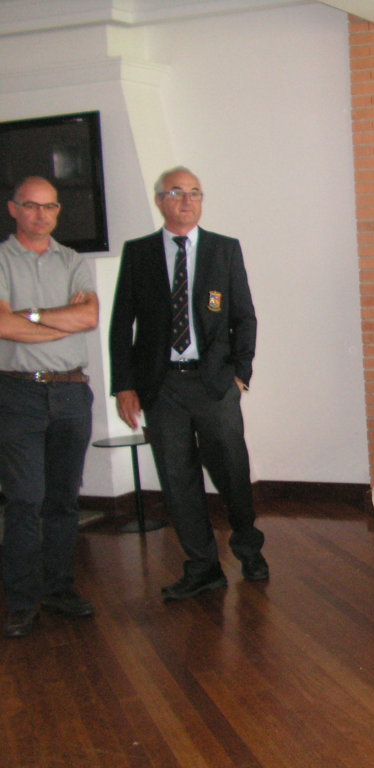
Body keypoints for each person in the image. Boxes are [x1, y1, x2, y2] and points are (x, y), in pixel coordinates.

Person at [109, 167, 267, 601]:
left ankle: (249, 549)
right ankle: (202, 567)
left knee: (232, 471)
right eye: (177, 192)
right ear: (160, 200)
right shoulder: (139, 253)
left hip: (214, 383)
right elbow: (122, 324)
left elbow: (244, 316)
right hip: (162, 387)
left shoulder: (223, 249)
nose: (187, 200)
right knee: (177, 480)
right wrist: (124, 385)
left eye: (195, 193)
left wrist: (240, 374)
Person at [0, 176, 99, 637]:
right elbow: (2, 327)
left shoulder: (74, 261)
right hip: (17, 394)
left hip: (72, 393)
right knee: (24, 501)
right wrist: (61, 322)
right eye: (31, 206)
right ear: (13, 209)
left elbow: (89, 317)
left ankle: (59, 588)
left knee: (63, 500)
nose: (41, 215)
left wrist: (30, 316)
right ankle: (22, 601)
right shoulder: (1, 259)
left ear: (58, 211)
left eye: (50, 207)